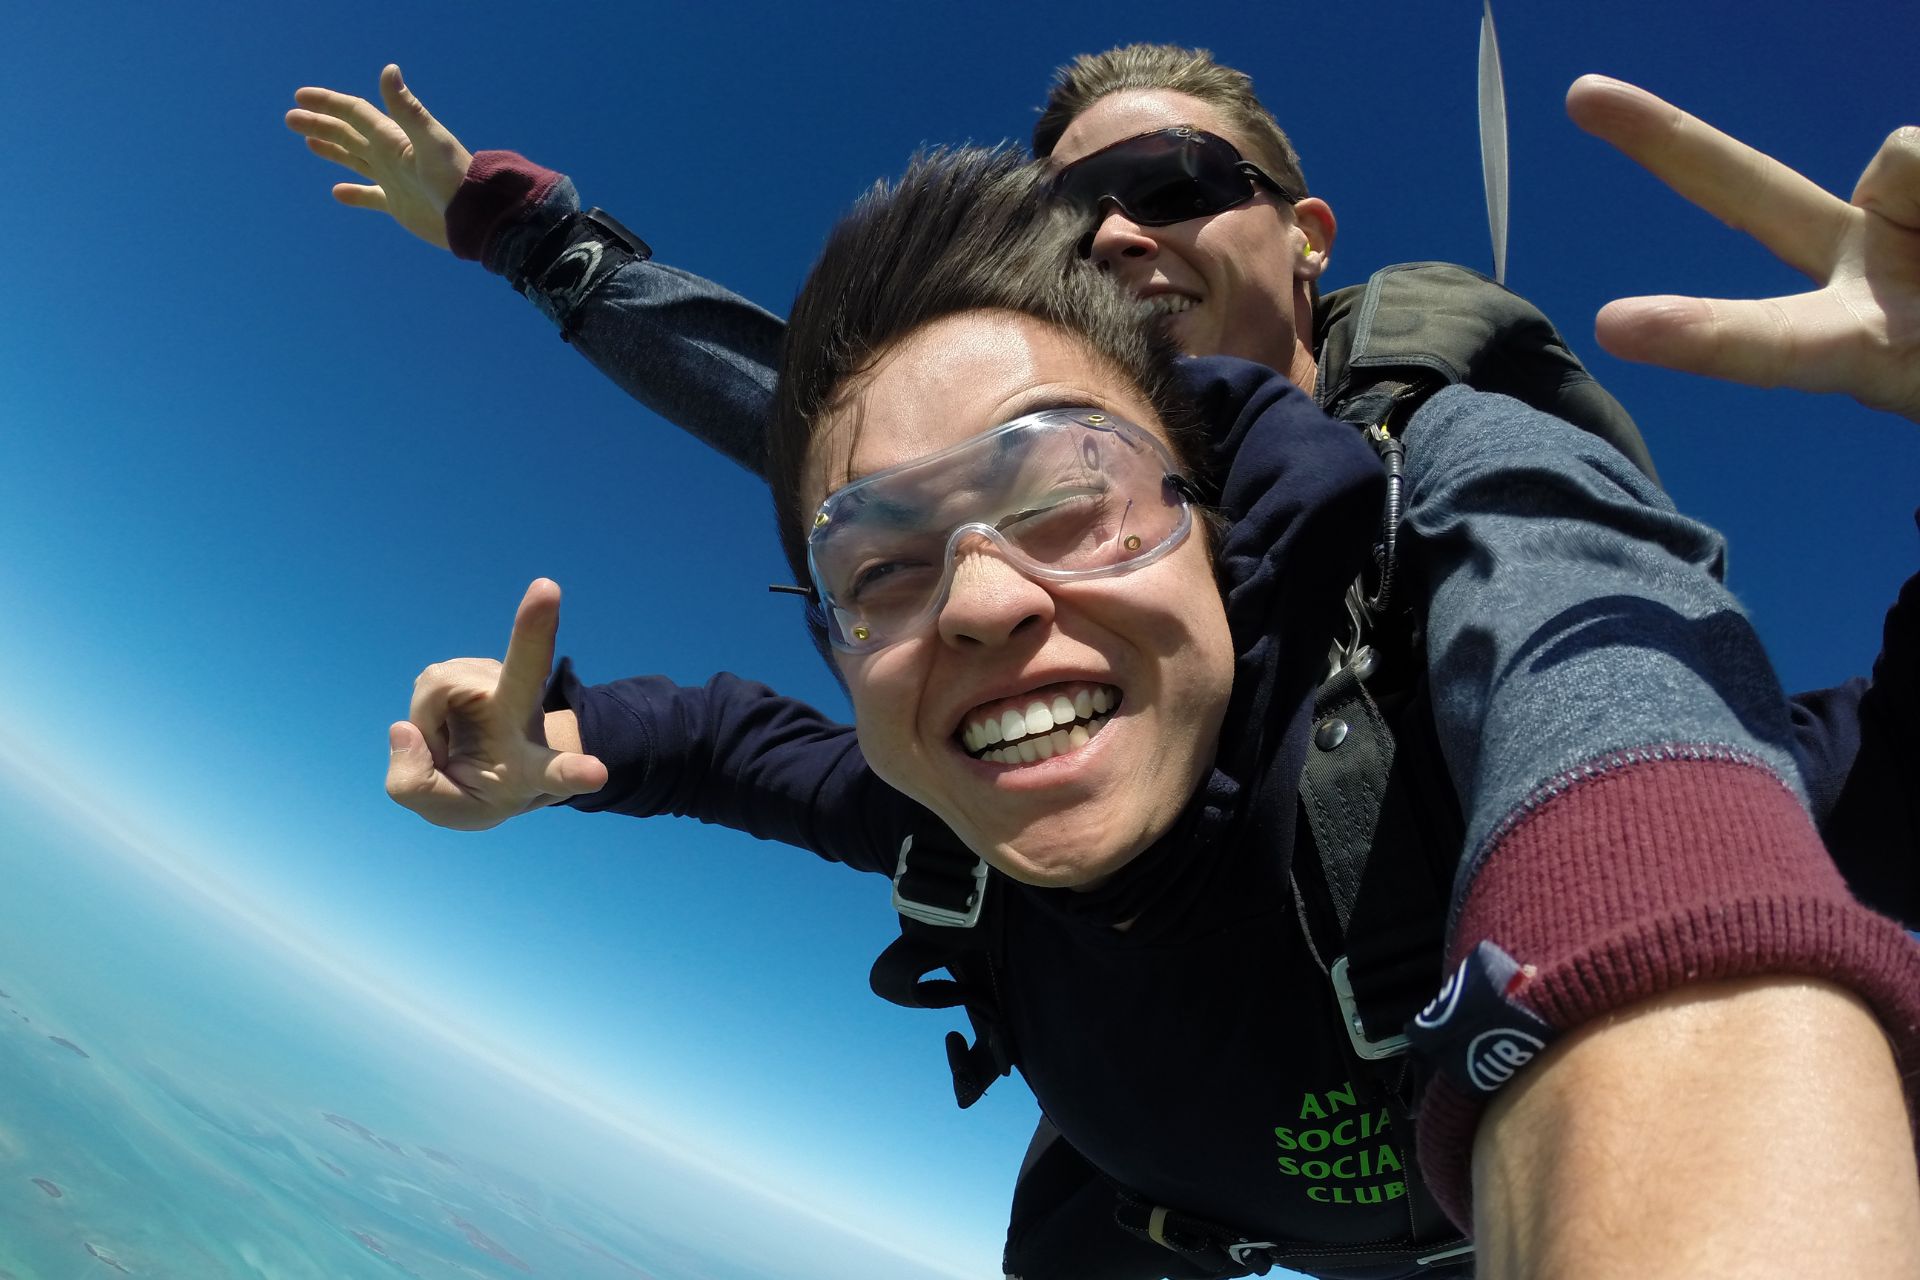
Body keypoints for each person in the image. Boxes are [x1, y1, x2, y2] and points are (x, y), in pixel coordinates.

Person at [377, 136, 1920, 1280]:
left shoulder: (1425, 699)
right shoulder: (953, 827)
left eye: (1071, 500)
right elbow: (738, 735)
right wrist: (577, 743)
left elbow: (1635, 744)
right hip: (1145, 1219)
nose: (981, 600)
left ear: (1214, 513)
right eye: (885, 570)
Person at [288, 50, 1915, 928]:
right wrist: (530, 235)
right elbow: (801, 417)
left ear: (1309, 231)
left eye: (1174, 186)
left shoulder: (1469, 491)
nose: (1120, 236)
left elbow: (1681, 727)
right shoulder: (989, 585)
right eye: (1072, 221)